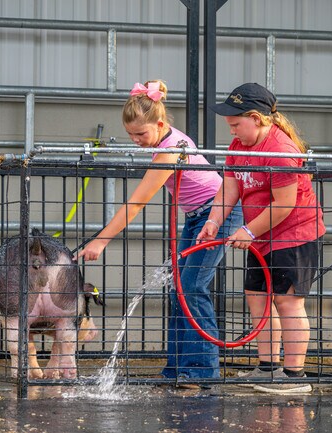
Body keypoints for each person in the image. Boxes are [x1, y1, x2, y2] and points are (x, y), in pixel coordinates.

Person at [74, 79, 243, 383]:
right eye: (130, 135)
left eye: (141, 133)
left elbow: (137, 202)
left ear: (160, 123)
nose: (136, 140)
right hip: (197, 215)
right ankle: (177, 368)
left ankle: (202, 372)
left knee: (192, 287)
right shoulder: (165, 143)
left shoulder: (169, 151)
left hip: (220, 212)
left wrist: (100, 241)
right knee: (180, 289)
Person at [196, 82, 325, 394]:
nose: (232, 131)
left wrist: (249, 230)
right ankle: (267, 367)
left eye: (236, 124)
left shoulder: (281, 151)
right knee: (258, 298)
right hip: (260, 236)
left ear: (256, 118)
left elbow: (285, 203)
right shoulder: (239, 147)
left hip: (293, 233)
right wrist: (214, 221)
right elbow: (229, 188)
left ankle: (295, 376)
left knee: (288, 302)